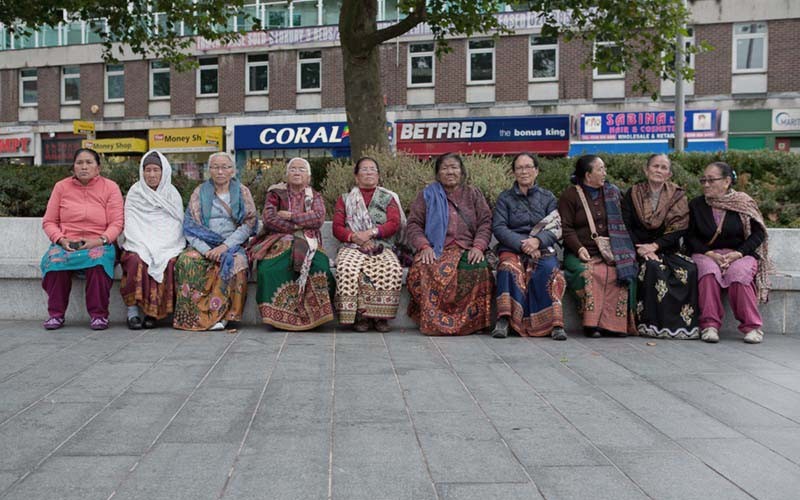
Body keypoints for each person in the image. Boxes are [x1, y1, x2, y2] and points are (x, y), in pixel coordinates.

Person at [405, 153, 494, 336]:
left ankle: (472, 323)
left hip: (466, 247)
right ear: (438, 173)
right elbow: (413, 224)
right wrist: (424, 246)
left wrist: (478, 246)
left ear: (461, 172)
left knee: (479, 268)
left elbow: (485, 222)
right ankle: (434, 321)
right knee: (422, 268)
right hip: (436, 248)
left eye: (454, 167)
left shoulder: (473, 194)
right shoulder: (427, 195)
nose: (450, 172)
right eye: (445, 168)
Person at [686, 161, 774, 344]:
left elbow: (758, 234)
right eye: (703, 180)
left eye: (711, 180)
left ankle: (752, 327)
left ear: (726, 181)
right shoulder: (696, 205)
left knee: (738, 274)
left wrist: (738, 254)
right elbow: (690, 237)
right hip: (706, 253)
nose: (706, 184)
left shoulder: (743, 203)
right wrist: (709, 254)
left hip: (739, 254)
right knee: (708, 272)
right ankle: (709, 325)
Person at [40, 148, 124, 330]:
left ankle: (99, 315)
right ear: (73, 167)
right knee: (55, 262)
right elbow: (49, 222)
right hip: (67, 243)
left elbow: (117, 223)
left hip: (99, 242)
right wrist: (61, 240)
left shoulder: (110, 187)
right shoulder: (61, 187)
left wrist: (100, 240)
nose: (84, 167)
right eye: (79, 163)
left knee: (98, 261)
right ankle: (56, 314)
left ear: (98, 168)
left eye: (89, 163)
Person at [173, 152, 257, 331]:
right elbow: (190, 226)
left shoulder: (242, 192)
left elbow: (249, 224)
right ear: (209, 170)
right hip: (205, 243)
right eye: (215, 167)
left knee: (238, 263)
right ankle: (193, 316)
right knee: (187, 261)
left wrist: (225, 246)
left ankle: (225, 317)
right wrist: (205, 250)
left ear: (232, 171)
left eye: (225, 167)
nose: (220, 171)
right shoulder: (199, 192)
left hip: (231, 244)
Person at [248, 157, 335, 330]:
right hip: (279, 239)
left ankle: (314, 318)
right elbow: (269, 219)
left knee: (320, 268)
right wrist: (299, 224)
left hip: (308, 241)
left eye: (301, 169)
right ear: (287, 175)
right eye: (293, 169)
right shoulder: (275, 193)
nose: (297, 172)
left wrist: (292, 217)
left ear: (308, 177)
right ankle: (277, 318)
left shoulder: (315, 196)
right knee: (268, 269)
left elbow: (318, 218)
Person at [558, 154, 637, 338]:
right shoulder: (570, 195)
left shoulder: (612, 192)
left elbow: (625, 223)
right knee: (589, 273)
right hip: (580, 253)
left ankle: (615, 325)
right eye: (600, 169)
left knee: (621, 272)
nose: (605, 173)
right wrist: (579, 248)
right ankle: (592, 325)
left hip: (612, 251)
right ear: (588, 175)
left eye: (604, 169)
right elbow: (566, 227)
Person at [622, 154, 699, 339]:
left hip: (666, 248)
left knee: (689, 269)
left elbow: (679, 228)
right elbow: (625, 225)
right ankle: (651, 325)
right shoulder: (632, 193)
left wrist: (655, 246)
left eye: (663, 168)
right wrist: (642, 248)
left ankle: (683, 326)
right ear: (646, 170)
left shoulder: (677, 195)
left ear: (669, 174)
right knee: (652, 268)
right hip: (638, 248)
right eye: (655, 166)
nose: (659, 170)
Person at [492, 153, 567, 340]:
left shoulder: (548, 197)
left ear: (536, 171)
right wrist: (522, 244)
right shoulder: (505, 198)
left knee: (550, 270)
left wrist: (538, 241)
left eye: (528, 167)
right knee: (507, 268)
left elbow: (557, 226)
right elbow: (499, 227)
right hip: (513, 246)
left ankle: (553, 324)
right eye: (519, 168)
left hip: (540, 246)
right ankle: (505, 320)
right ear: (514, 172)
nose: (524, 171)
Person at [332, 157, 405, 332]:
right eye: (364, 169)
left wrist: (372, 233)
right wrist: (355, 238)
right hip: (352, 244)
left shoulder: (388, 198)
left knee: (391, 267)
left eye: (373, 169)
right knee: (347, 267)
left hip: (381, 244)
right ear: (356, 177)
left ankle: (380, 317)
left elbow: (394, 223)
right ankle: (360, 317)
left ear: (378, 175)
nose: (369, 172)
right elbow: (337, 228)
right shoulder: (345, 199)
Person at [119, 150, 186, 329]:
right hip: (139, 242)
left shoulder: (172, 194)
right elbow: (132, 223)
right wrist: (144, 246)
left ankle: (153, 315)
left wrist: (162, 247)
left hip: (168, 244)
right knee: (135, 260)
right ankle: (132, 313)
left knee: (169, 262)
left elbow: (176, 224)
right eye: (147, 170)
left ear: (164, 172)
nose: (152, 174)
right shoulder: (135, 192)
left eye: (156, 170)